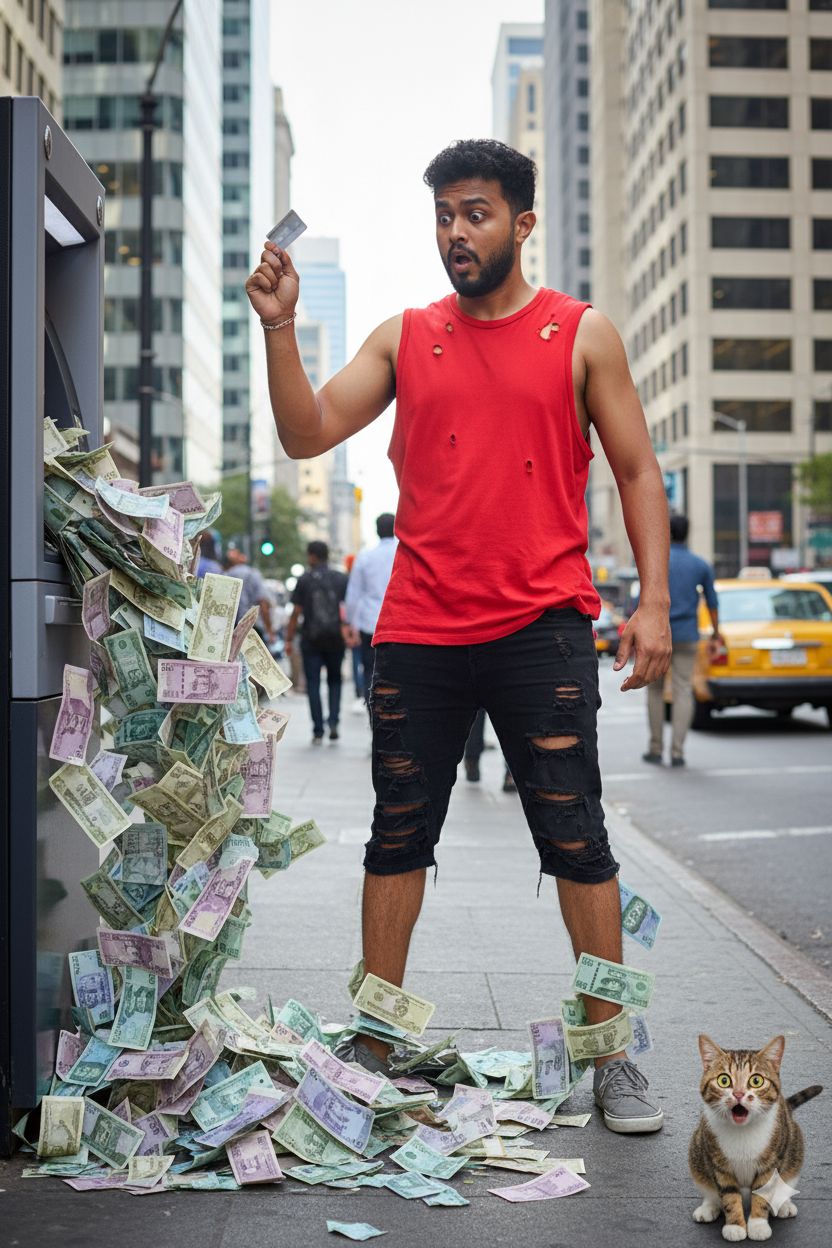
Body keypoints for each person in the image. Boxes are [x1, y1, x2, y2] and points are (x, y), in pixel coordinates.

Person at [246, 138, 671, 1134]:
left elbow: (638, 472)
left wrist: (653, 604)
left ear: (521, 224)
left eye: (474, 214)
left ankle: (612, 1061)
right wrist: (280, 328)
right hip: (420, 634)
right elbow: (307, 432)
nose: (454, 233)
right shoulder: (406, 336)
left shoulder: (582, 334)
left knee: (578, 842)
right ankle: (376, 1042)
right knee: (398, 837)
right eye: (442, 214)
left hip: (543, 630)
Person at [643, 514, 723, 768]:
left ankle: (655, 748)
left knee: (654, 690)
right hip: (687, 635)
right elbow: (712, 603)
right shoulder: (700, 565)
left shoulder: (656, 563)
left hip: (657, 634)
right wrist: (716, 633)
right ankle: (677, 752)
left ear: (667, 532)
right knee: (683, 690)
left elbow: (641, 600)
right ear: (687, 533)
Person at [286, 541, 349, 743]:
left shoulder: (304, 580)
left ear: (312, 556)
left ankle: (318, 730)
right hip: (335, 638)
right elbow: (347, 608)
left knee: (313, 683)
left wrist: (288, 638)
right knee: (334, 680)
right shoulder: (340, 578)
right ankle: (333, 722)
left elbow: (296, 613)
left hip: (311, 639)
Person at [344, 512, 397, 703]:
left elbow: (353, 595)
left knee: (370, 671)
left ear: (376, 530)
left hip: (370, 624)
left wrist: (350, 623)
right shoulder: (404, 553)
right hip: (399, 623)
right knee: (398, 674)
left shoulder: (365, 557)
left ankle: (373, 713)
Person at [224, 547, 276, 646]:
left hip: (231, 629)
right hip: (252, 628)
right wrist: (270, 631)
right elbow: (263, 603)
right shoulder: (253, 574)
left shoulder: (225, 575)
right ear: (243, 558)